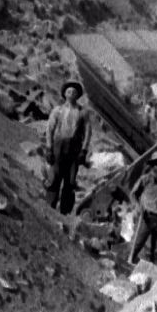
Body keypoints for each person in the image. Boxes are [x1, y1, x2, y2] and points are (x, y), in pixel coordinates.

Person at [44, 80, 92, 214]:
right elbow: (49, 129)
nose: (71, 93)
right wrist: (49, 148)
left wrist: (84, 150)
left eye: (74, 92)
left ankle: (65, 212)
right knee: (54, 178)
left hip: (74, 150)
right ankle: (49, 208)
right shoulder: (57, 110)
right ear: (64, 94)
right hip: (58, 147)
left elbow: (88, 131)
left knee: (70, 181)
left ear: (78, 95)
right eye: (69, 91)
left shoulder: (83, 112)